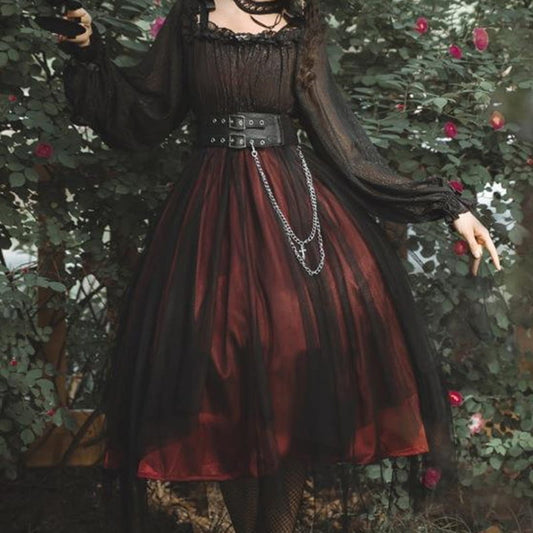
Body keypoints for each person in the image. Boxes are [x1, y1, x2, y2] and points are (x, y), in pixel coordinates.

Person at [56, 0, 501, 532]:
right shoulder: (193, 15)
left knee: (291, 377)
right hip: (212, 217)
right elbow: (148, 110)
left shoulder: (299, 19)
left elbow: (343, 143)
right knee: (223, 381)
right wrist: (89, 52)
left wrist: (450, 207)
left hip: (290, 212)